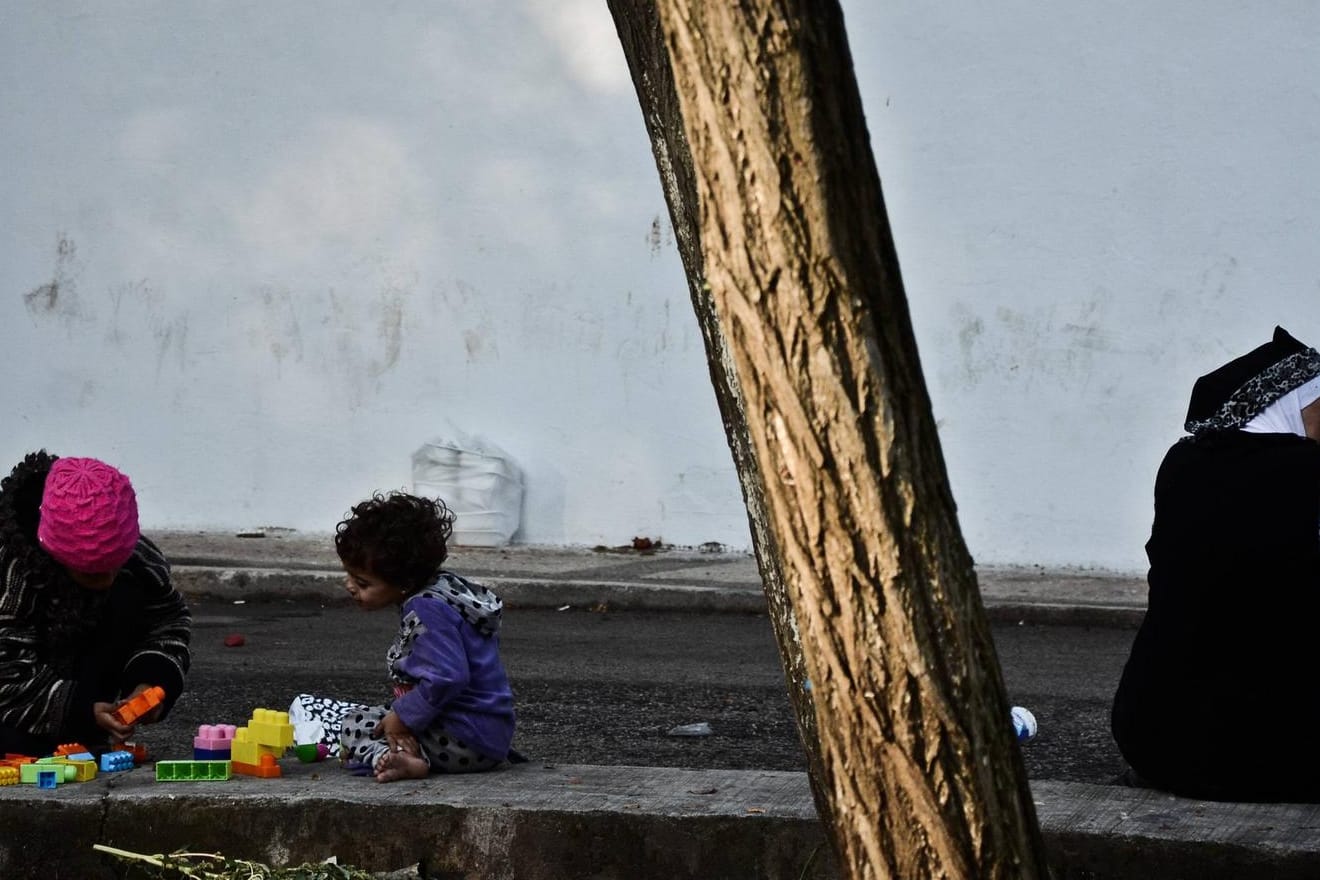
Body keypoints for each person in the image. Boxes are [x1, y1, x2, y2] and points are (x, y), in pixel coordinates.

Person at [1112, 326, 1320, 802]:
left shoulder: (1184, 461)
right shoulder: (1308, 473)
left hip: (1156, 739)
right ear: (1287, 403)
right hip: (1285, 755)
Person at [0, 451, 192, 756]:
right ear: (54, 554)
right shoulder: (14, 573)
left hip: (84, 687)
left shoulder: (137, 562)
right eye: (92, 574)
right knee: (18, 748)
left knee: (128, 594)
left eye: (116, 565)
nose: (108, 580)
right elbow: (6, 671)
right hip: (19, 698)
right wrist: (79, 709)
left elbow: (167, 622)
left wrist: (151, 683)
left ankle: (85, 729)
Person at [325, 491, 516, 783]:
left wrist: (401, 719)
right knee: (382, 719)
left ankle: (404, 761)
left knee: (355, 724)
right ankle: (408, 755)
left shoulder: (427, 609)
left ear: (404, 583)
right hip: (486, 733)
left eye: (362, 582)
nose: (349, 585)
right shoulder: (446, 591)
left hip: (464, 739)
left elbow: (447, 677)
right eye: (349, 575)